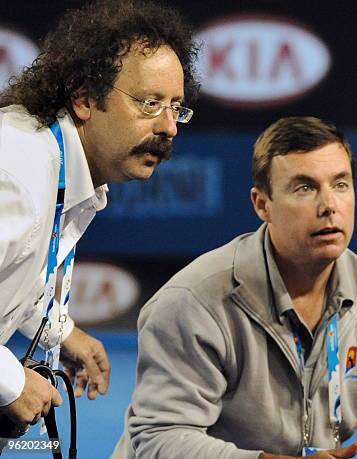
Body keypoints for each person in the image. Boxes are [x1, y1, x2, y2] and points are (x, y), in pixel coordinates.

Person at [111, 116, 357, 459]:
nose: (329, 205)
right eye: (305, 187)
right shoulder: (193, 301)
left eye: (340, 184)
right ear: (262, 205)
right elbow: (160, 439)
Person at [0, 0, 197, 437]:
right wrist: (11, 382)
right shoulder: (15, 175)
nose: (169, 127)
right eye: (150, 103)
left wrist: (59, 331)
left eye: (176, 107)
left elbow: (13, 268)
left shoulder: (56, 161)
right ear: (86, 100)